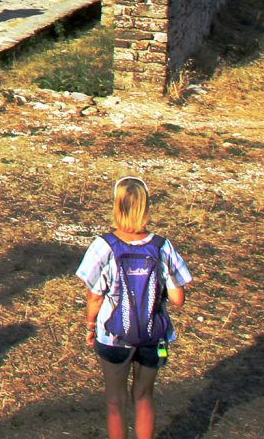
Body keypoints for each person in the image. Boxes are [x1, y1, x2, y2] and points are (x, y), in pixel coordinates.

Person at [77, 176, 192, 439]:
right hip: (154, 337)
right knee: (144, 397)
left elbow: (94, 297)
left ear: (116, 206)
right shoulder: (162, 246)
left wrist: (89, 326)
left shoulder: (103, 246)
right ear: (146, 207)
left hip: (113, 336)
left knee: (115, 402)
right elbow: (178, 299)